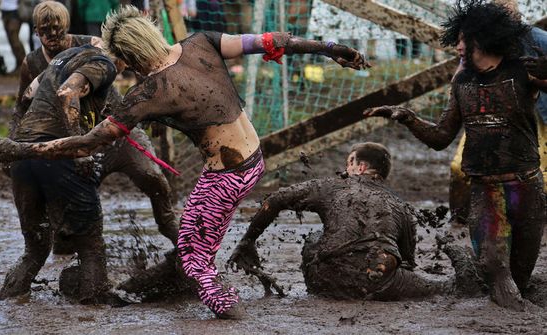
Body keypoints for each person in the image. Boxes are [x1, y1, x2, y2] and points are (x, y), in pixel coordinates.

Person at [0, 5, 370, 318]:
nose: (127, 68)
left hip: (227, 177)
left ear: (130, 54)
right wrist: (332, 49)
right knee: (187, 237)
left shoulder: (149, 92)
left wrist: (22, 150)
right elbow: (270, 40)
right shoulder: (202, 42)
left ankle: (233, 314)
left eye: (127, 61)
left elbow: (88, 143)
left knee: (194, 257)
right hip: (252, 161)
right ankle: (156, 284)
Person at [364, 0, 547, 311]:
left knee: (518, 275)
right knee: (492, 264)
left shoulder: (523, 72)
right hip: (484, 189)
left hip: (526, 188)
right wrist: (407, 117)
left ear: (484, 37)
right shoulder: (461, 82)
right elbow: (440, 137)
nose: (458, 47)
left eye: (464, 40)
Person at [14, 1, 179, 254]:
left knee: (152, 177)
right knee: (69, 215)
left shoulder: (92, 45)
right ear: (35, 31)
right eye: (45, 31)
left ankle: (171, 227)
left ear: (67, 27)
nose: (52, 37)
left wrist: (149, 107)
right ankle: (73, 253)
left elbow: (134, 61)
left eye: (57, 30)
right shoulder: (32, 63)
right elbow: (22, 106)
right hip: (73, 139)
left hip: (115, 126)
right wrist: (16, 146)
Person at [228, 142, 481, 301]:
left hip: (324, 278)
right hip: (378, 282)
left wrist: (248, 240)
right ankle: (462, 274)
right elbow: (409, 263)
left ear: (359, 167)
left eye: (348, 162)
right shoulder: (401, 207)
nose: (345, 168)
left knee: (315, 240)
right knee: (443, 287)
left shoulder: (332, 186)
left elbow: (276, 199)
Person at [0, 42, 124, 304]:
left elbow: (28, 94)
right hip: (57, 154)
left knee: (35, 250)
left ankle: (9, 305)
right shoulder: (105, 64)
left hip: (25, 154)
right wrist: (80, 148)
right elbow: (68, 93)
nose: (126, 71)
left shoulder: (65, 56)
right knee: (91, 246)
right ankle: (92, 315)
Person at [448, 0, 547, 226]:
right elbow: (460, 74)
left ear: (516, 15)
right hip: (486, 113)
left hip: (532, 115)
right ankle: (459, 220)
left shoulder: (538, 40)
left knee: (537, 173)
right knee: (459, 168)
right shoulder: (478, 42)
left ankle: (530, 225)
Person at [0, 0, 26, 74]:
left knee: (14, 38)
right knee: (10, 39)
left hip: (15, 10)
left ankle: (24, 64)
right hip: (4, 10)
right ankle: (18, 64)